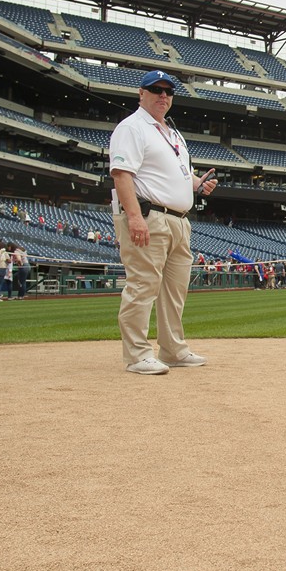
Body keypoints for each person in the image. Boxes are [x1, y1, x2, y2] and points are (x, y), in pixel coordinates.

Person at [109, 69, 218, 375]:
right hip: (149, 215)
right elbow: (122, 175)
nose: (163, 96)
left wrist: (198, 184)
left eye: (168, 91)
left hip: (179, 220)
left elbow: (178, 174)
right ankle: (137, 354)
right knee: (143, 285)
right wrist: (134, 218)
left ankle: (172, 349)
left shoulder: (172, 133)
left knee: (174, 290)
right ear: (141, 93)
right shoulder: (132, 127)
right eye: (155, 89)